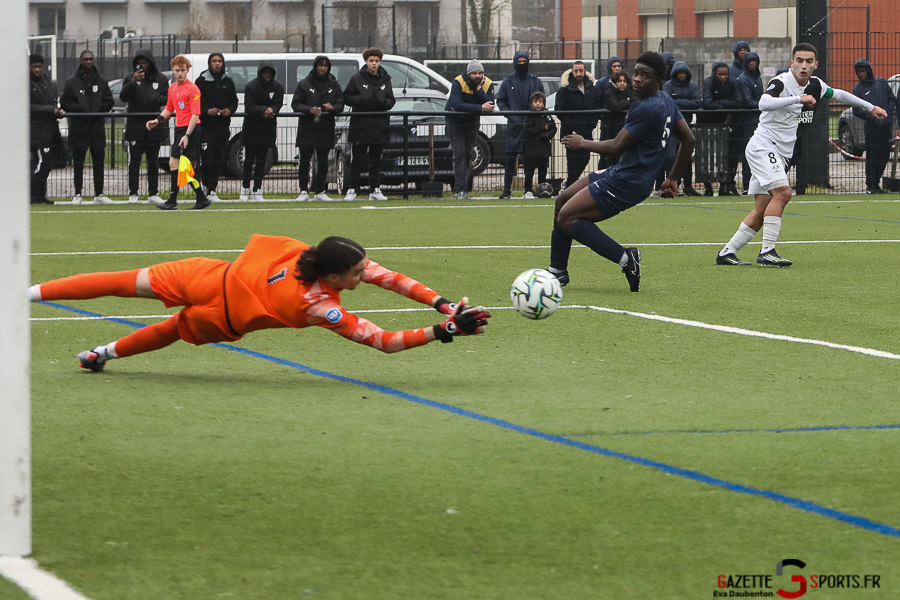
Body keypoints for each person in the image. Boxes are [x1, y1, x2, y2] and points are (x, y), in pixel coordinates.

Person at [29, 235, 492, 372]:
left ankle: (32, 297)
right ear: (334, 277)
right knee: (165, 325)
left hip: (211, 275)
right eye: (357, 273)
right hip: (221, 311)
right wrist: (445, 329)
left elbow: (388, 278)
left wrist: (443, 306)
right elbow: (384, 342)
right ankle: (100, 353)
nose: (366, 274)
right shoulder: (319, 304)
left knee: (124, 283)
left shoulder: (315, 256)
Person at [716, 43, 887, 267]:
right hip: (763, 146)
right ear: (791, 63)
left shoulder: (816, 85)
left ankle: (727, 252)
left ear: (815, 65)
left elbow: (840, 94)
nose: (803, 65)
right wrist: (798, 99)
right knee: (784, 193)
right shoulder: (781, 82)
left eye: (808, 61)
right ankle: (767, 251)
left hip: (779, 153)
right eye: (799, 60)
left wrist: (869, 106)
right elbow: (764, 102)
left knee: (762, 209)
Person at [546, 52, 695, 292]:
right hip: (623, 172)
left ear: (658, 81)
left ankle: (626, 259)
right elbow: (688, 140)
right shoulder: (666, 99)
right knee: (562, 200)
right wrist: (673, 178)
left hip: (627, 183)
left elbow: (617, 145)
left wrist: (582, 142)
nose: (636, 79)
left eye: (644, 76)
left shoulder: (647, 108)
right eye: (635, 73)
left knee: (567, 218)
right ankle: (557, 271)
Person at [146, 55, 210, 211]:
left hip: (191, 129)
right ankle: (199, 197)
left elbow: (195, 115)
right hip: (180, 129)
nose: (180, 73)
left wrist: (187, 135)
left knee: (177, 163)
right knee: (181, 165)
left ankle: (174, 199)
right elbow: (169, 107)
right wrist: (158, 120)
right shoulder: (172, 88)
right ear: (173, 71)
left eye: (183, 70)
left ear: (188, 71)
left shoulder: (193, 89)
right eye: (177, 70)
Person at [60, 50, 114, 204]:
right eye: (85, 60)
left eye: (90, 59)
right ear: (80, 61)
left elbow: (109, 101)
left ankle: (99, 194)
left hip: (97, 128)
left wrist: (99, 109)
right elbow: (65, 102)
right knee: (78, 163)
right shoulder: (72, 82)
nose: (88, 62)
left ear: (94, 60)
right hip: (79, 128)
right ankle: (77, 194)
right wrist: (80, 109)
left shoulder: (102, 81)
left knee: (99, 162)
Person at [343, 48, 395, 201]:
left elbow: (391, 100)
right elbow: (347, 97)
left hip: (379, 125)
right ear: (366, 61)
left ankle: (375, 189)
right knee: (357, 159)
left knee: (376, 160)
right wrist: (362, 100)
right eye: (371, 61)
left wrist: (383, 102)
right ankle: (352, 190)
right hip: (360, 125)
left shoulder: (386, 79)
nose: (374, 64)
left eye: (376, 61)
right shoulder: (356, 78)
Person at [292, 55, 345, 202]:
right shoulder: (304, 83)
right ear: (315, 66)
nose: (322, 68)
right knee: (305, 160)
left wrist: (332, 107)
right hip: (307, 127)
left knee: (323, 161)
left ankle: (320, 191)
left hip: (325, 127)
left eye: (325, 65)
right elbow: (296, 104)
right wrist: (309, 109)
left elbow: (341, 104)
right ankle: (303, 191)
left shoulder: (334, 84)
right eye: (320, 65)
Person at [120, 49, 169, 205]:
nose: (141, 66)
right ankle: (133, 193)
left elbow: (168, 98)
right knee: (134, 162)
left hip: (154, 126)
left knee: (153, 161)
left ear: (150, 63)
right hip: (135, 126)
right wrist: (133, 82)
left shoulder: (161, 78)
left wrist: (159, 99)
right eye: (139, 63)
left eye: (145, 62)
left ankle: (153, 193)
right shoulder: (130, 78)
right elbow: (123, 96)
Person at [495, 51, 544, 199]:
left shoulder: (536, 81)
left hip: (531, 127)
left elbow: (541, 100)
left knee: (530, 160)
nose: (522, 64)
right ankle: (507, 190)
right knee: (510, 159)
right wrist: (509, 113)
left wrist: (533, 115)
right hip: (514, 126)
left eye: (525, 61)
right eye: (519, 62)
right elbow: (501, 101)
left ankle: (529, 189)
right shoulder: (508, 81)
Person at [445, 59, 495, 199]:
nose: (478, 76)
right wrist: (479, 108)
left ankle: (465, 188)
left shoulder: (488, 84)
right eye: (474, 74)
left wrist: (479, 89)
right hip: (455, 122)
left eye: (480, 73)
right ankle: (460, 189)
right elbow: (457, 104)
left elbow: (490, 105)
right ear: (468, 74)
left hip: (472, 122)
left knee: (468, 154)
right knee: (459, 154)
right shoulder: (458, 82)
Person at [196, 52, 238, 202]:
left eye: (219, 61)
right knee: (207, 159)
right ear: (209, 63)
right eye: (214, 61)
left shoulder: (229, 81)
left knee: (218, 159)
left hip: (222, 127)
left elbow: (234, 101)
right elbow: (195, 103)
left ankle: (213, 190)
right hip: (206, 127)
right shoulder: (201, 81)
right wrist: (207, 111)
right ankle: (205, 186)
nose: (217, 64)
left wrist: (229, 110)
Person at [240, 61, 284, 202]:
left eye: (269, 72)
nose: (267, 75)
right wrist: (263, 110)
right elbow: (249, 106)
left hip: (268, 129)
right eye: (265, 72)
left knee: (262, 160)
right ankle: (245, 188)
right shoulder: (250, 86)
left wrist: (272, 111)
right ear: (260, 72)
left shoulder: (278, 87)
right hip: (251, 128)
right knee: (248, 160)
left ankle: (257, 189)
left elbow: (278, 103)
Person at [851, 58, 897, 194]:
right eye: (858, 72)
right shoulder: (858, 89)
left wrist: (887, 113)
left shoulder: (881, 82)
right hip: (872, 128)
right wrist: (874, 117)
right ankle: (871, 184)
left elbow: (891, 99)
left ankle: (877, 182)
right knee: (872, 156)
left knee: (884, 155)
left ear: (868, 70)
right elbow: (857, 110)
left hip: (885, 127)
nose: (861, 74)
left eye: (863, 71)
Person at [555, 60, 601, 190]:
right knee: (573, 162)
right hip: (571, 133)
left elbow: (597, 108)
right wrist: (573, 128)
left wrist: (591, 125)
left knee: (585, 158)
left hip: (587, 131)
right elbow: (559, 110)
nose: (578, 73)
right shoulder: (564, 90)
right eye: (576, 71)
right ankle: (571, 188)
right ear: (572, 71)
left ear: (585, 71)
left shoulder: (592, 89)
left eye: (581, 70)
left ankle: (570, 185)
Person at [698, 62, 742, 196]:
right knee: (706, 156)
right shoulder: (708, 82)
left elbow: (738, 103)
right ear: (714, 74)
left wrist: (720, 102)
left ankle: (725, 186)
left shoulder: (733, 83)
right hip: (707, 123)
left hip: (726, 124)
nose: (723, 77)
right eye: (720, 74)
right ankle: (708, 187)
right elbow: (707, 103)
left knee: (726, 156)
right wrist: (725, 105)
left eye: (726, 74)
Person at [723, 51, 763, 196]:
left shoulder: (757, 78)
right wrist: (764, 104)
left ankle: (755, 185)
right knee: (749, 154)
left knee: (757, 154)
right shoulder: (744, 79)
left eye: (754, 61)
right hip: (747, 122)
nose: (752, 63)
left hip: (756, 120)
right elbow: (747, 101)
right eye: (750, 61)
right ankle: (747, 186)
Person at [663, 61, 701, 195]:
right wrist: (685, 103)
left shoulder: (693, 86)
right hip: (672, 126)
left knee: (687, 156)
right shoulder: (667, 85)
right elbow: (667, 102)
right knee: (671, 156)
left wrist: (677, 102)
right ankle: (674, 184)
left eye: (684, 73)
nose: (682, 75)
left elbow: (696, 103)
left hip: (687, 124)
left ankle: (688, 186)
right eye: (679, 73)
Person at [29, 54, 63, 205]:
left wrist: (56, 110)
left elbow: (51, 101)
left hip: (49, 129)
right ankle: (30, 195)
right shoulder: (25, 84)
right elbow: (28, 106)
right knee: (42, 163)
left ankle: (39, 196)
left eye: (39, 67)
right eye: (34, 67)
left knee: (46, 163)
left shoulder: (45, 81)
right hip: (35, 130)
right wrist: (50, 110)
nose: (37, 69)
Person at [521, 91, 557, 198]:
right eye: (535, 102)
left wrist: (546, 135)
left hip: (543, 148)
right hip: (530, 148)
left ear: (544, 104)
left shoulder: (547, 115)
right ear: (531, 103)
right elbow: (526, 130)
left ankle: (542, 189)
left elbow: (553, 128)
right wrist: (542, 127)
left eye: (540, 102)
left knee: (543, 170)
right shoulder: (528, 116)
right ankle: (528, 190)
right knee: (529, 171)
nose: (538, 104)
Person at [602, 71, 635, 167]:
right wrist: (627, 101)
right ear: (615, 82)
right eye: (619, 81)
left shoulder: (629, 92)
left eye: (624, 81)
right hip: (612, 131)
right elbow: (615, 106)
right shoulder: (609, 92)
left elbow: (635, 103)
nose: (622, 83)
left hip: (625, 129)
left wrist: (624, 103)